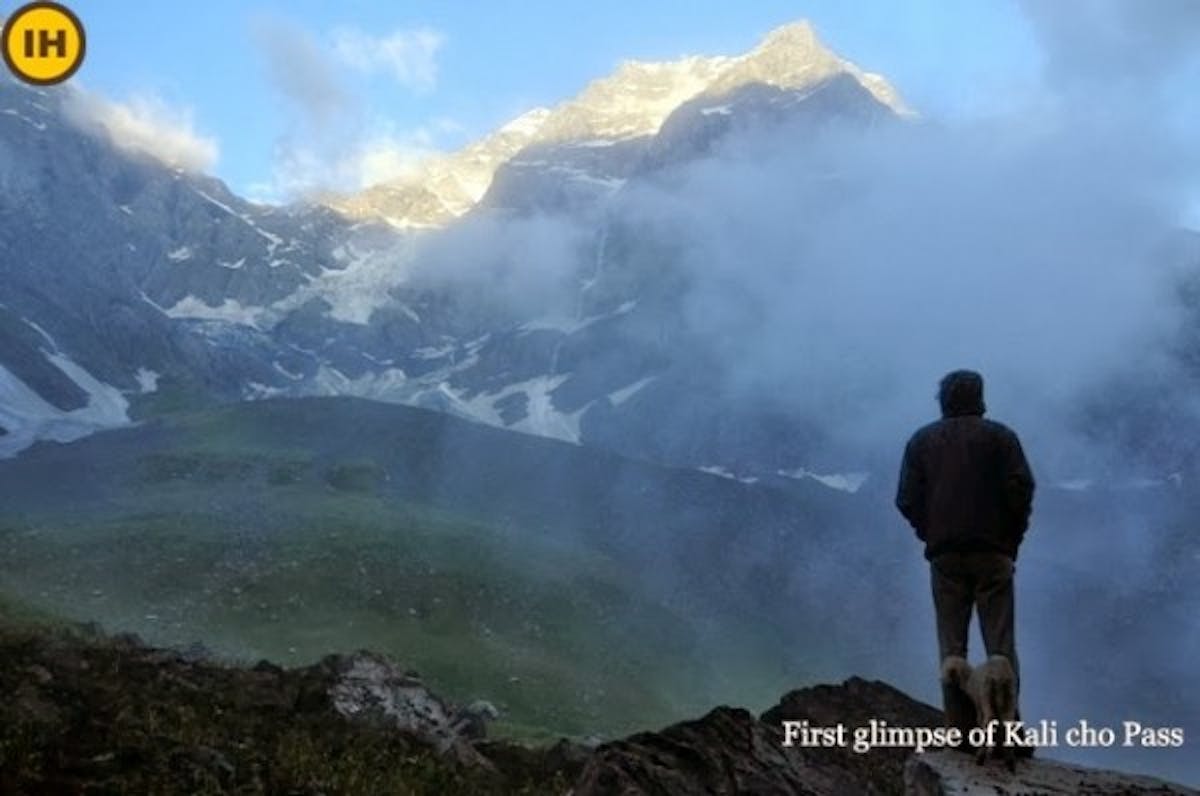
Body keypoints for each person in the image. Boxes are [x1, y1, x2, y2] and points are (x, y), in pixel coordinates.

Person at [895, 369, 1035, 747]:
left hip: (946, 557)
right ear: (980, 398)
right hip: (994, 554)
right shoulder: (1002, 438)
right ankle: (1007, 730)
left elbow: (906, 499)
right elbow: (1021, 490)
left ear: (944, 400)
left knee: (952, 647)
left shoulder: (922, 442)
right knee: (1001, 647)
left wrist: (931, 533)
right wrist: (1010, 540)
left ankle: (959, 730)